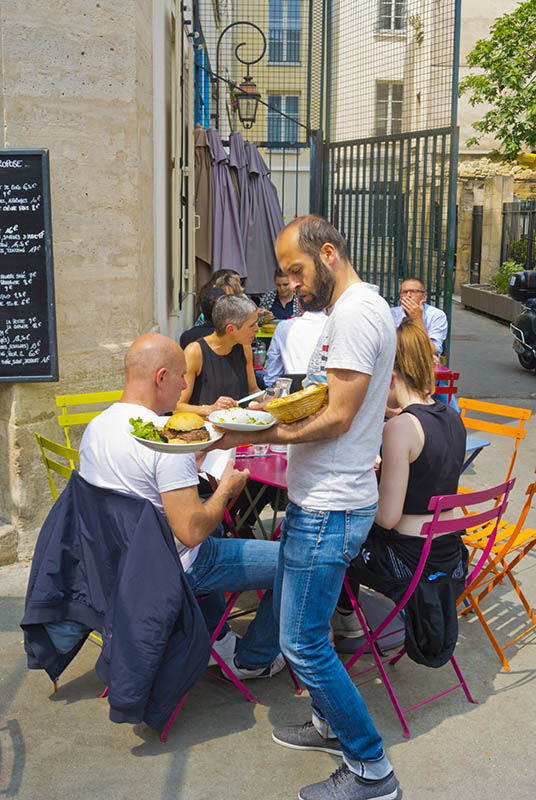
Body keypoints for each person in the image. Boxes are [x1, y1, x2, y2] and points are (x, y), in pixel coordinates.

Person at [213, 215, 399, 800]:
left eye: (296, 270)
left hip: (331, 506)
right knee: (307, 634)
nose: (291, 283)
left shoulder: (355, 313)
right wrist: (268, 410)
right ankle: (329, 725)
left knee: (303, 643)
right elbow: (327, 399)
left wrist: (256, 434)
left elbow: (340, 415)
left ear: (328, 252)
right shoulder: (347, 312)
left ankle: (372, 770)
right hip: (321, 498)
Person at [78, 332, 284, 680]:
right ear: (161, 377)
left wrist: (193, 460)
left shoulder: (98, 427)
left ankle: (213, 636)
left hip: (115, 565)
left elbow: (141, 488)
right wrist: (226, 491)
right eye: (182, 376)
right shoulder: (163, 438)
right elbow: (191, 532)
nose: (186, 384)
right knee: (299, 562)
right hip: (172, 568)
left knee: (216, 529)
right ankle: (254, 659)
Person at [339, 320, 469, 668]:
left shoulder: (399, 429)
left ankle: (346, 627)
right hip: (450, 559)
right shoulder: (453, 417)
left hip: (407, 562)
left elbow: (387, 517)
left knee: (330, 544)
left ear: (391, 375)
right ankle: (352, 621)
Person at [175, 294, 260, 416]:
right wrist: (210, 409)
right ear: (231, 329)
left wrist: (273, 399)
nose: (257, 329)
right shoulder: (195, 352)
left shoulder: (244, 346)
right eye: (252, 325)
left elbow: (253, 391)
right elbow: (177, 407)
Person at [263, 303, 327, 387]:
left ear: (298, 304)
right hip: (328, 391)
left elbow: (272, 376)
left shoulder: (283, 327)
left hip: (292, 392)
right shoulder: (335, 324)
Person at [390, 277, 448, 356]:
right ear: (400, 296)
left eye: (414, 291)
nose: (408, 295)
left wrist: (417, 319)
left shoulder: (436, 315)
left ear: (424, 296)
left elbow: (433, 350)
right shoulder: (392, 313)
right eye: (405, 292)